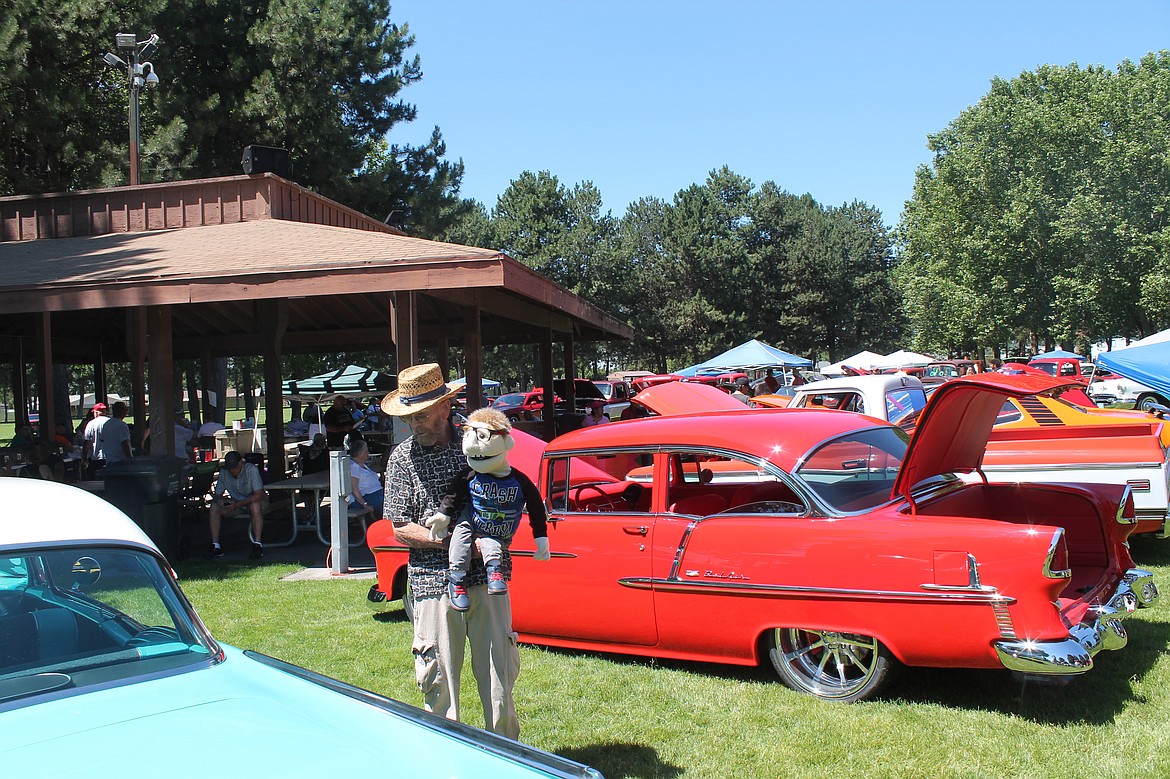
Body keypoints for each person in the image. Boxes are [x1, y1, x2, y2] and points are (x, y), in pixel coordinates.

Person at [381, 362, 520, 739]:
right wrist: (450, 543)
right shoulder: (401, 458)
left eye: (422, 415)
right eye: (409, 419)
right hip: (431, 584)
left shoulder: (479, 446)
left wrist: (488, 541)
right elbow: (398, 526)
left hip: (487, 581)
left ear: (445, 407)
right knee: (438, 688)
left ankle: (509, 762)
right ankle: (449, 765)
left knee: (499, 684)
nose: (415, 425)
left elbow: (509, 500)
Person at [425, 408, 550, 611]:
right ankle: (456, 580)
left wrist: (541, 537)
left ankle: (494, 571)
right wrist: (444, 514)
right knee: (459, 537)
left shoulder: (518, 481)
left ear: (506, 442)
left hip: (496, 529)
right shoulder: (470, 474)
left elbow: (536, 506)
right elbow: (454, 493)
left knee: (492, 543)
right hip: (472, 516)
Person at [206, 451, 268, 560]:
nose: (232, 470)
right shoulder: (224, 472)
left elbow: (258, 495)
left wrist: (237, 504)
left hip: (252, 501)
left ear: (241, 463)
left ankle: (257, 544)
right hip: (236, 503)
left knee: (255, 506)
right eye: (230, 468)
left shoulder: (251, 470)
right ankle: (216, 546)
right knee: (214, 507)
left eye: (234, 467)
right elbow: (217, 495)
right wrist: (221, 501)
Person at [347, 438, 384, 516]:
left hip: (377, 494)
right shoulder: (354, 467)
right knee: (386, 503)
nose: (368, 453)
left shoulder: (362, 465)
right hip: (367, 496)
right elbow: (354, 489)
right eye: (366, 451)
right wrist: (365, 504)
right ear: (360, 454)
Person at [82, 402, 109, 479]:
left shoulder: (91, 424)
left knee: (96, 480)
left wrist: (84, 457)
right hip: (110, 457)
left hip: (96, 457)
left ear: (96, 413)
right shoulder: (111, 423)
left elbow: (87, 441)